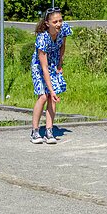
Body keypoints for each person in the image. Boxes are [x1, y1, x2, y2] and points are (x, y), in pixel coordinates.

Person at [30, 8, 71, 144]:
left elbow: (62, 47)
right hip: (40, 66)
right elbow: (44, 68)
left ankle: (49, 130)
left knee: (52, 99)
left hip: (53, 63)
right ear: (48, 23)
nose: (59, 24)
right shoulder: (42, 39)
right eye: (55, 22)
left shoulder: (63, 29)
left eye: (60, 20)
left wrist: (60, 64)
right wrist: (51, 90)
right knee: (43, 96)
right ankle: (35, 131)